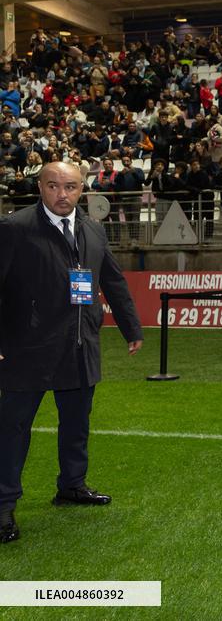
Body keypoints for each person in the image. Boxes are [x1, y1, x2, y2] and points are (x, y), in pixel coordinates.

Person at [0, 162, 143, 544]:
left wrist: (131, 327)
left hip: (80, 346)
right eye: (53, 186)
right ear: (40, 188)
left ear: (83, 190)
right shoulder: (15, 228)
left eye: (71, 187)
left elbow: (112, 280)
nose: (62, 194)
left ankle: (72, 485)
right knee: (12, 431)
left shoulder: (93, 230)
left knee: (77, 423)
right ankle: (2, 506)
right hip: (26, 349)